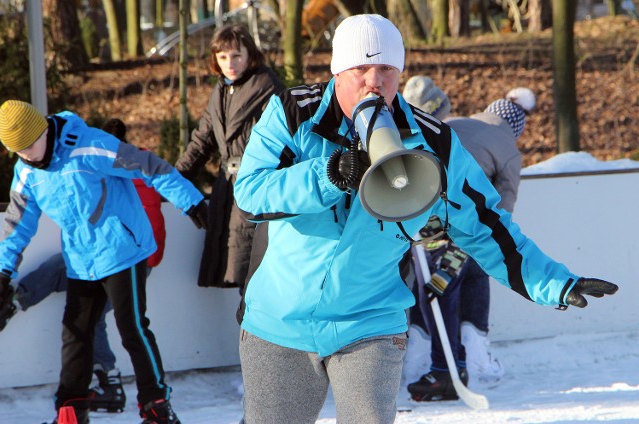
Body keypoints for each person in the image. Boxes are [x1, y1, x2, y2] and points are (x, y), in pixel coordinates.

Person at [232, 14, 618, 424]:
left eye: (386, 69)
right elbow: (251, 194)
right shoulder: (293, 112)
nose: (373, 81)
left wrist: (555, 282)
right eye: (360, 68)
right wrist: (327, 174)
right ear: (337, 71)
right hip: (280, 321)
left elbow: (485, 224)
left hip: (370, 322)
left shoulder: (432, 141)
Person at [0, 100, 208, 424]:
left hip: (123, 251)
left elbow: (148, 166)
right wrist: (2, 271)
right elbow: (18, 223)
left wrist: (191, 201)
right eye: (18, 151)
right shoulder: (27, 172)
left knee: (133, 328)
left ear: (42, 129)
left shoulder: (89, 146)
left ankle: (157, 408)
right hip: (82, 260)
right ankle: (71, 411)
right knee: (75, 332)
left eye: (29, 145)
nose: (26, 155)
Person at [402, 78, 535, 401]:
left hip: (428, 219)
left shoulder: (458, 124)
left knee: (432, 286)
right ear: (516, 128)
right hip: (463, 227)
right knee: (449, 283)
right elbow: (502, 206)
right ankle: (457, 366)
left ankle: (429, 360)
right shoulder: (510, 150)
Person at [175, 24, 284, 292]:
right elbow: (202, 141)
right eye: (223, 57)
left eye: (236, 55)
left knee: (254, 275)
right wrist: (173, 182)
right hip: (227, 190)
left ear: (250, 54)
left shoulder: (266, 85)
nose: (230, 63)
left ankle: (254, 334)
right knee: (239, 272)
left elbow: (286, 139)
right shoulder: (221, 90)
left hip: (258, 189)